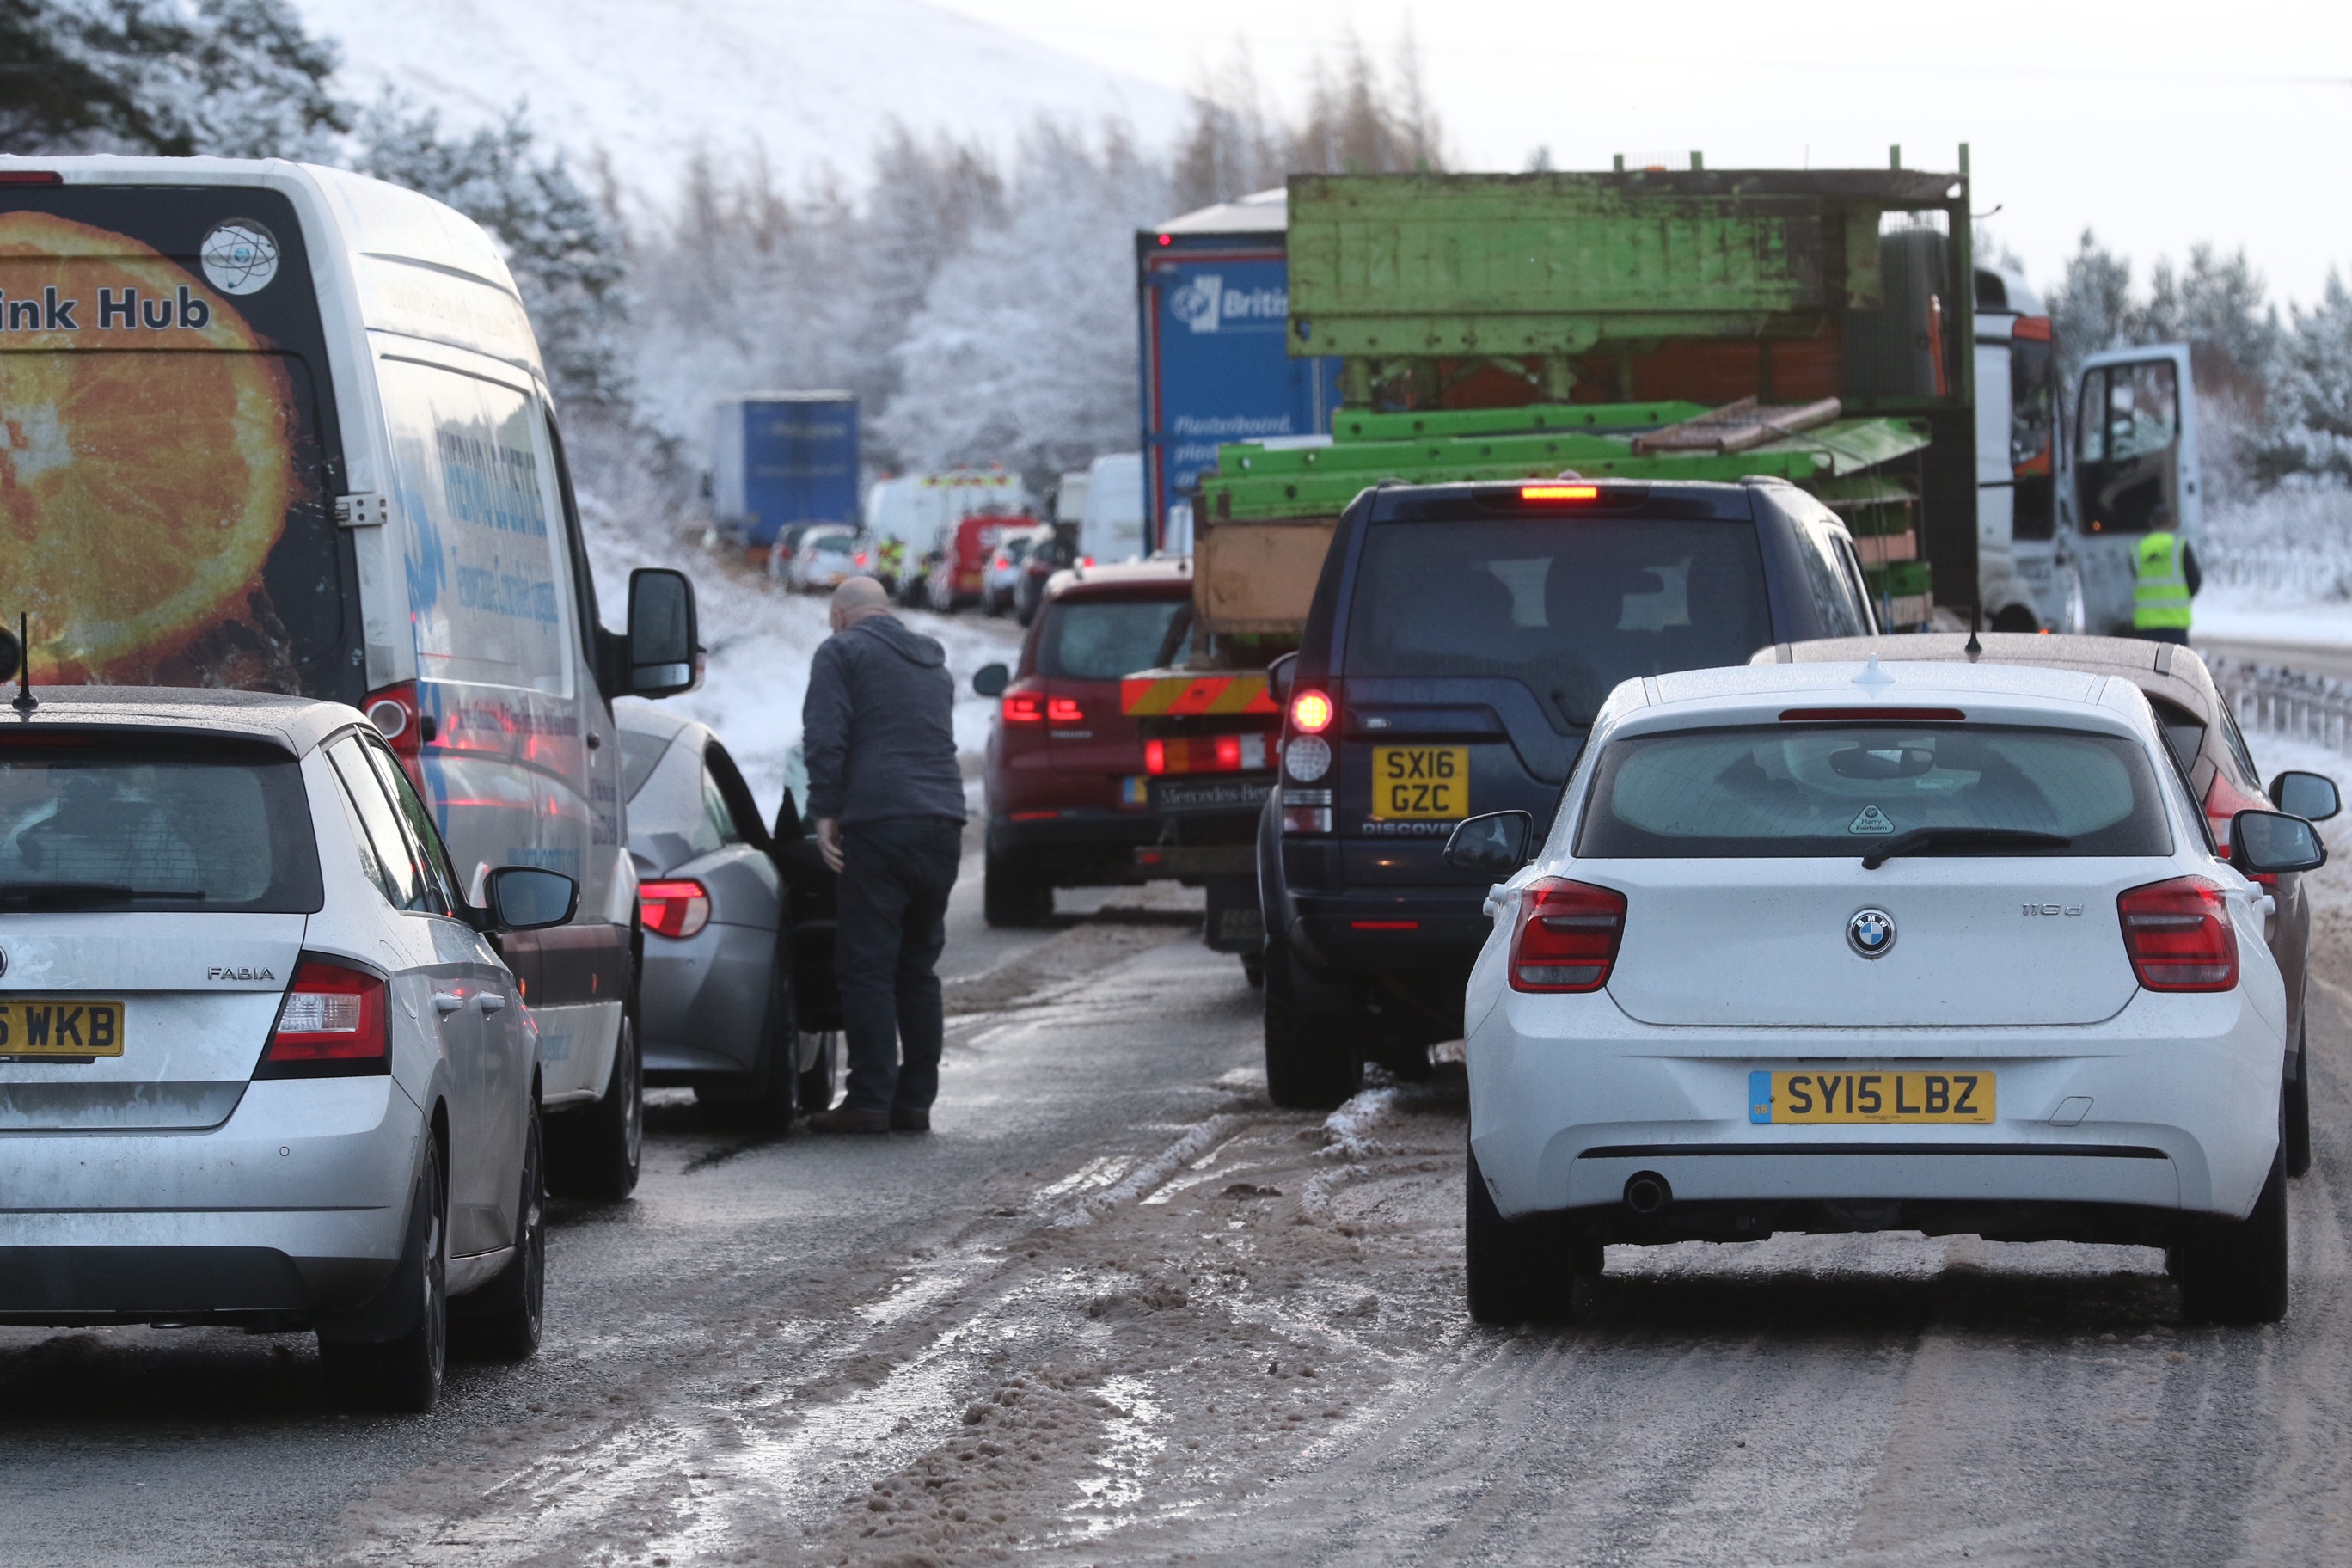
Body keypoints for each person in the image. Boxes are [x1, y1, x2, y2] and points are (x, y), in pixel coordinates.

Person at [800, 576, 967, 1134]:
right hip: (943, 821)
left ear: (842, 614)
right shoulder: (931, 664)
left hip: (881, 820)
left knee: (866, 964)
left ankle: (871, 1097)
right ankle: (915, 1100)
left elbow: (826, 736)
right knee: (917, 967)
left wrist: (825, 809)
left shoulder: (841, 651)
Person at [2133, 505, 2202, 646]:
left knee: (2147, 666)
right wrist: (2181, 596)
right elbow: (2195, 580)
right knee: (2175, 665)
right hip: (2175, 623)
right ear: (2171, 522)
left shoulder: (2138, 549)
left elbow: (2136, 577)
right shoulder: (2179, 546)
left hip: (2147, 624)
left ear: (2151, 523)